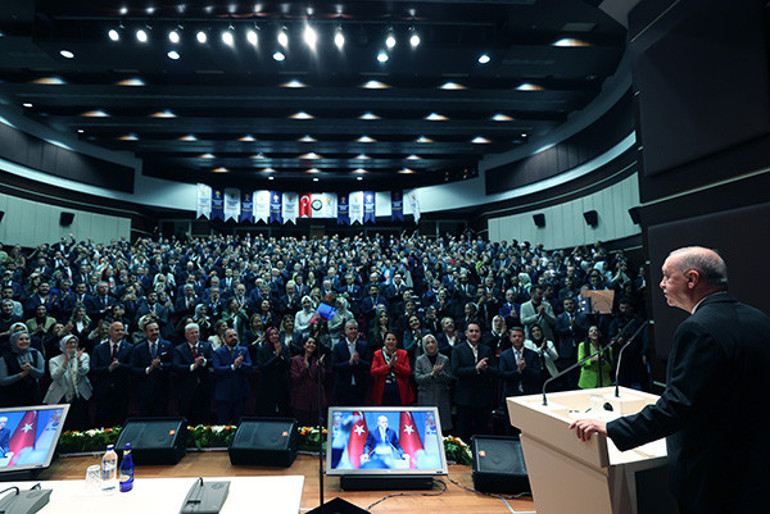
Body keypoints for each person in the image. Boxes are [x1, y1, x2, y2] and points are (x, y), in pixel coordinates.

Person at [570, 247, 770, 514]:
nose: (661, 285)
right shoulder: (759, 319)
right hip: (758, 468)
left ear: (692, 279)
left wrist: (613, 427)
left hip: (715, 477)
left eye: (667, 277)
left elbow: (679, 407)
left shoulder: (697, 328)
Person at [451, 322, 498, 442]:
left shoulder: (486, 349)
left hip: (483, 398)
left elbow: (495, 371)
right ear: (466, 333)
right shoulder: (457, 349)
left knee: (482, 430)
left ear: (480, 333)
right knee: (463, 431)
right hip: (464, 398)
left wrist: (485, 368)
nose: (474, 334)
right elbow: (456, 371)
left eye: (477, 331)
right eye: (471, 331)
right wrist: (475, 368)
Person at [43, 334, 92, 430]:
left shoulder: (84, 356)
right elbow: (54, 376)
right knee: (63, 424)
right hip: (61, 394)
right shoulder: (54, 360)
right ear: (63, 345)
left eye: (75, 342)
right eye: (70, 343)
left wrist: (78, 361)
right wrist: (65, 363)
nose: (73, 344)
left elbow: (84, 371)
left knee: (82, 421)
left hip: (80, 392)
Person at [89, 321, 133, 427]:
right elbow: (93, 368)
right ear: (110, 332)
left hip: (121, 390)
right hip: (103, 390)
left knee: (120, 420)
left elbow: (132, 367)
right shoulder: (99, 348)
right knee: (103, 419)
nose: (120, 332)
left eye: (122, 330)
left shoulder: (130, 347)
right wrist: (108, 369)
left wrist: (120, 365)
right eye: (117, 330)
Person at [172, 323, 214, 425]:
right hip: (187, 389)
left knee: (205, 417)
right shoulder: (179, 349)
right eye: (192, 333)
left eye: (196, 332)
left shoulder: (207, 346)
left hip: (204, 388)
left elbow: (213, 360)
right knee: (188, 418)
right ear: (186, 335)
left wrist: (204, 362)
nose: (195, 335)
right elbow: (176, 366)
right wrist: (192, 367)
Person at [130, 320, 172, 416]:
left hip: (163, 388)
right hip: (145, 390)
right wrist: (149, 369)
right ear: (145, 333)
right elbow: (132, 369)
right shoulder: (138, 348)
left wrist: (161, 365)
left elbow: (172, 364)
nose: (155, 332)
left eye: (156, 329)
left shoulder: (167, 345)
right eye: (151, 330)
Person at [212, 328, 253, 424]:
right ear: (224, 339)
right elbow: (217, 369)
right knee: (223, 421)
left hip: (240, 391)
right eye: (230, 336)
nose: (234, 338)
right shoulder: (218, 352)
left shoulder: (243, 350)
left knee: (239, 421)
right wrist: (233, 367)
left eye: (235, 335)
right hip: (224, 392)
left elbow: (250, 366)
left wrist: (240, 365)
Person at [414, 333, 453, 431]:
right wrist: (431, 374)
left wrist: (440, 373)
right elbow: (418, 379)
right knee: (426, 429)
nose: (431, 345)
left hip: (441, 399)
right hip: (425, 399)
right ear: (424, 345)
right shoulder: (420, 360)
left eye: (433, 342)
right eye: (428, 343)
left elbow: (449, 379)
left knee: (442, 428)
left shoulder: (444, 359)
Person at [0, 331, 45, 407]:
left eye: (27, 339)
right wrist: (21, 375)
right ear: (14, 341)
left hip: (33, 396)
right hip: (12, 397)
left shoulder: (36, 353)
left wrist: (31, 369)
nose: (25, 342)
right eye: (21, 339)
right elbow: (3, 381)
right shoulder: (4, 358)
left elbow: (40, 374)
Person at [289, 336, 327, 426]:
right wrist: (304, 369)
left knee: (316, 425)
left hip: (316, 399)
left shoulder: (317, 360)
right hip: (301, 398)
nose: (311, 345)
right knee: (301, 426)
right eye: (309, 343)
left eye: (314, 343)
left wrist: (319, 367)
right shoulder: (296, 360)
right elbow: (295, 379)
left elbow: (322, 379)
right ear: (304, 345)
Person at [331, 321, 370, 406]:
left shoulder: (364, 346)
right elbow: (334, 366)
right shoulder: (338, 347)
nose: (353, 331)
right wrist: (348, 363)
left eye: (355, 329)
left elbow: (368, 365)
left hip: (359, 388)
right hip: (343, 388)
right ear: (345, 330)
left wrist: (358, 361)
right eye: (351, 329)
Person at [254, 326, 291, 417]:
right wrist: (276, 357)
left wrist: (280, 356)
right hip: (268, 383)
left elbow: (288, 364)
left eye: (276, 334)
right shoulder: (262, 349)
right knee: (268, 409)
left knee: (283, 408)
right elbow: (263, 367)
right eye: (271, 334)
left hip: (282, 382)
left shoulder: (284, 347)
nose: (274, 336)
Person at [370, 332, 414, 406]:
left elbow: (408, 371)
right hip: (383, 388)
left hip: (400, 388)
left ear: (396, 342)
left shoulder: (403, 353)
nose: (391, 342)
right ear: (384, 342)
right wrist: (388, 366)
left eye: (393, 340)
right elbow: (373, 372)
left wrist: (395, 365)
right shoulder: (377, 354)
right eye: (388, 339)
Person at [499, 327, 542, 399]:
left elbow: (538, 374)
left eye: (519, 336)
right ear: (510, 338)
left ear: (524, 338)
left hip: (530, 393)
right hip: (511, 393)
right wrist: (517, 372)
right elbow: (502, 374)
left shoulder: (532, 354)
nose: (517, 338)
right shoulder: (504, 355)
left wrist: (525, 368)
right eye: (514, 336)